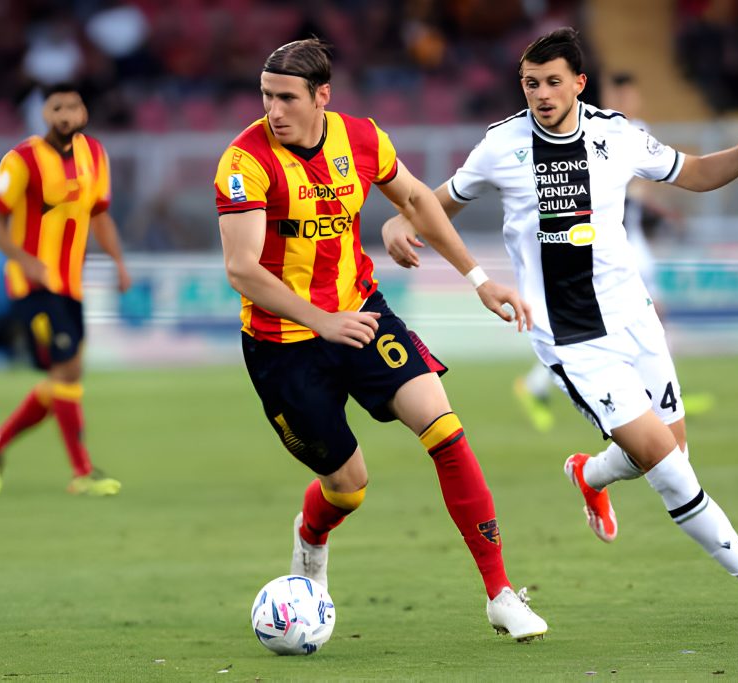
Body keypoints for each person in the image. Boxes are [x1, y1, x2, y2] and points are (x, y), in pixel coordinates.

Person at [383, 27, 738, 618]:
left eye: (552, 82)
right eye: (531, 83)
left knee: (672, 451)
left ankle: (589, 474)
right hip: (573, 339)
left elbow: (694, 172)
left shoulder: (617, 135)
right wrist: (401, 220)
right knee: (669, 469)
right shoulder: (501, 146)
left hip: (635, 319)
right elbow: (434, 204)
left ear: (579, 83)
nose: (541, 94)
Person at [214, 39, 547, 641]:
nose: (273, 110)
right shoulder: (244, 162)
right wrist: (321, 321)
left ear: (322, 96)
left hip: (363, 313)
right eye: (266, 96)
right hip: (282, 345)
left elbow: (416, 199)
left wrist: (478, 279)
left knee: (445, 430)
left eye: (287, 98)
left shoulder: (362, 138)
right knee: (348, 488)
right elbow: (241, 268)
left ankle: (500, 593)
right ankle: (310, 536)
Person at [512, 72, 712, 432]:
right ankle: (658, 397)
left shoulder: (634, 130)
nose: (627, 102)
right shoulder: (594, 130)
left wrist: (659, 210)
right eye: (621, 95)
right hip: (614, 241)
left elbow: (646, 184)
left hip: (632, 235)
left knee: (646, 316)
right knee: (627, 318)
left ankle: (662, 395)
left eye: (630, 96)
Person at [0, 84, 131, 498]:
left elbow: (100, 215)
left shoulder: (95, 154)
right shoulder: (21, 159)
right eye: (57, 107)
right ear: (45, 113)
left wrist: (118, 262)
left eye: (73, 106)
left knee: (66, 375)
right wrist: (23, 260)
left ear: (83, 112)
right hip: (32, 286)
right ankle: (82, 472)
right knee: (66, 371)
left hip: (71, 285)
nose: (66, 115)